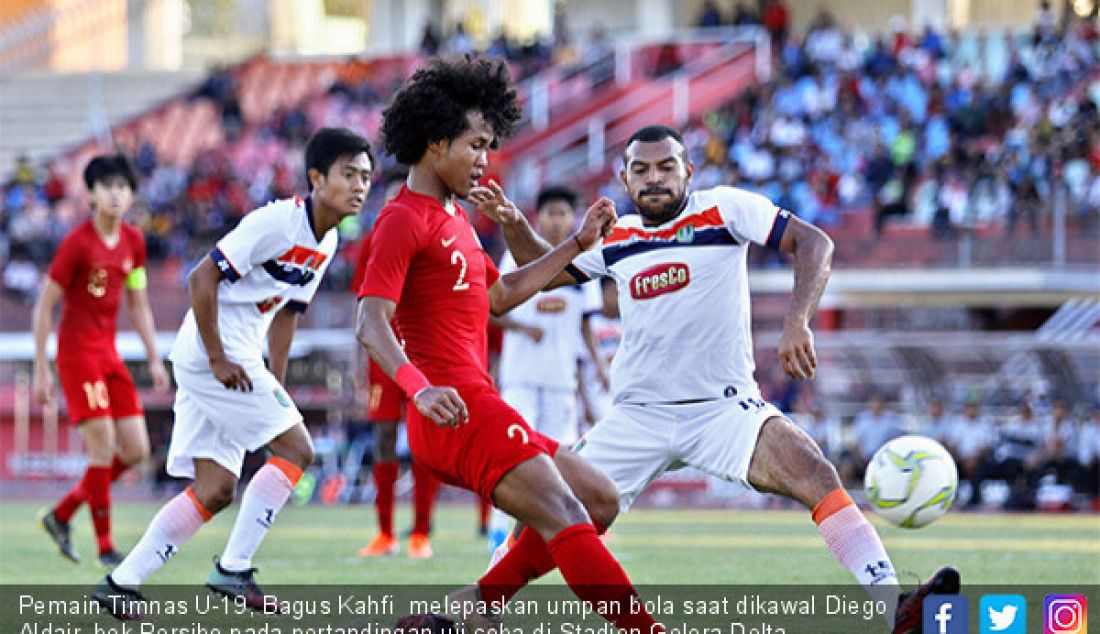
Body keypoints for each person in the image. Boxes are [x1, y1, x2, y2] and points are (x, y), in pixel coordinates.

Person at [474, 124, 959, 634]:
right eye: (641, 170)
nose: (654, 178)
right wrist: (510, 221)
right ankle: (482, 604)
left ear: (689, 171)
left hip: (722, 408)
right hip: (637, 415)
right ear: (624, 178)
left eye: (666, 167)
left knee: (812, 469)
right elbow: (540, 268)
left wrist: (797, 321)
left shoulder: (724, 208)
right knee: (554, 504)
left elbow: (814, 242)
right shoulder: (616, 236)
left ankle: (896, 608)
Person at [355, 55, 664, 634]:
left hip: (477, 400)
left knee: (599, 499)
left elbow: (499, 296)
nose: (484, 159)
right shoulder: (402, 220)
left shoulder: (457, 220)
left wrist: (575, 244)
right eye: (475, 145)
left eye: (489, 145)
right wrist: (418, 390)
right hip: (453, 409)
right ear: (435, 143)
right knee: (565, 512)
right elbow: (370, 321)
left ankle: (460, 615)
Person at [91, 128, 373, 620]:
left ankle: (121, 584)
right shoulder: (276, 222)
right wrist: (219, 357)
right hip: (214, 356)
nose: (360, 185)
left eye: (366, 176)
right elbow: (201, 276)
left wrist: (277, 378)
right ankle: (234, 568)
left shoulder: (325, 242)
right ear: (316, 178)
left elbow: (288, 313)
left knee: (216, 488)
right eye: (348, 174)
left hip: (229, 358)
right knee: (297, 449)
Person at [34, 154, 171, 566]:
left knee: (134, 449)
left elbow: (140, 302)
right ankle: (106, 548)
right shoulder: (77, 243)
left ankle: (62, 514)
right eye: (107, 186)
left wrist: (154, 357)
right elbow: (45, 306)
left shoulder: (134, 241)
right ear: (91, 193)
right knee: (102, 447)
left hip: (110, 355)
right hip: (78, 356)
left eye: (123, 187)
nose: (116, 193)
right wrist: (43, 368)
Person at [487, 185, 604, 552]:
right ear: (537, 217)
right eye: (550, 214)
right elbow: (491, 308)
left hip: (560, 379)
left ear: (574, 218)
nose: (557, 221)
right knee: (510, 454)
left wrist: (598, 365)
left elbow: (587, 324)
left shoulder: (584, 263)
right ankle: (496, 532)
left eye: (564, 214)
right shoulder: (517, 257)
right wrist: (523, 328)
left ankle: (560, 528)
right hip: (521, 376)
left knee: (563, 455)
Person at [350, 172, 438, 559]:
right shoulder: (375, 241)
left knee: (424, 443)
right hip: (382, 357)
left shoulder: (430, 235)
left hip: (422, 351)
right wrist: (358, 363)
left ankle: (421, 532)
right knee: (384, 438)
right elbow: (363, 308)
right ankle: (385, 533)